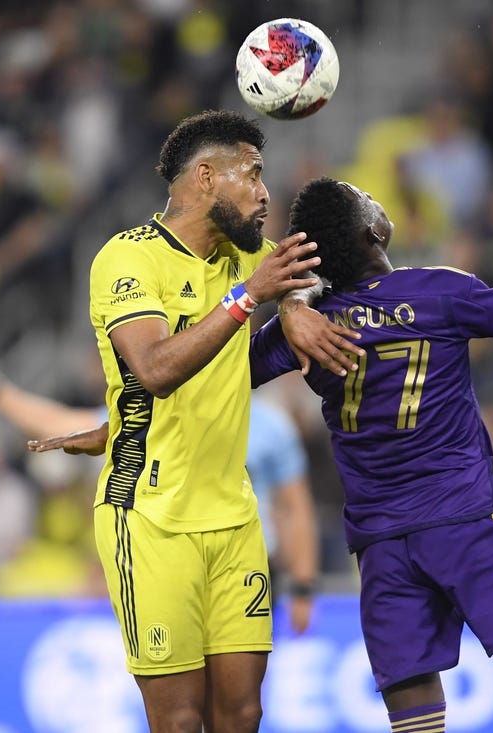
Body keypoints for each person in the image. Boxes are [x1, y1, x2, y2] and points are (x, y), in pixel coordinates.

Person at [33, 177, 493, 731]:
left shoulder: (301, 328)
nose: (376, 199)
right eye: (368, 198)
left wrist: (119, 428)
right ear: (376, 230)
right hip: (466, 518)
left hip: (381, 547)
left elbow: (212, 381)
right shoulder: (442, 291)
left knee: (417, 724)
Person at [82, 110, 357, 732]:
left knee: (241, 712)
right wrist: (253, 297)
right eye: (253, 175)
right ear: (205, 177)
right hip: (150, 516)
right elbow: (152, 369)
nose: (265, 194)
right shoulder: (127, 259)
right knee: (179, 721)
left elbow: (298, 274)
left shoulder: (244, 254)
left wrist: (291, 305)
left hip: (234, 518)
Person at [0, 340, 319, 630]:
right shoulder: (155, 412)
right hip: (171, 565)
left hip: (249, 571)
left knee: (241, 702)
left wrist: (302, 586)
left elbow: (294, 506)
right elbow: (58, 424)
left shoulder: (269, 425)